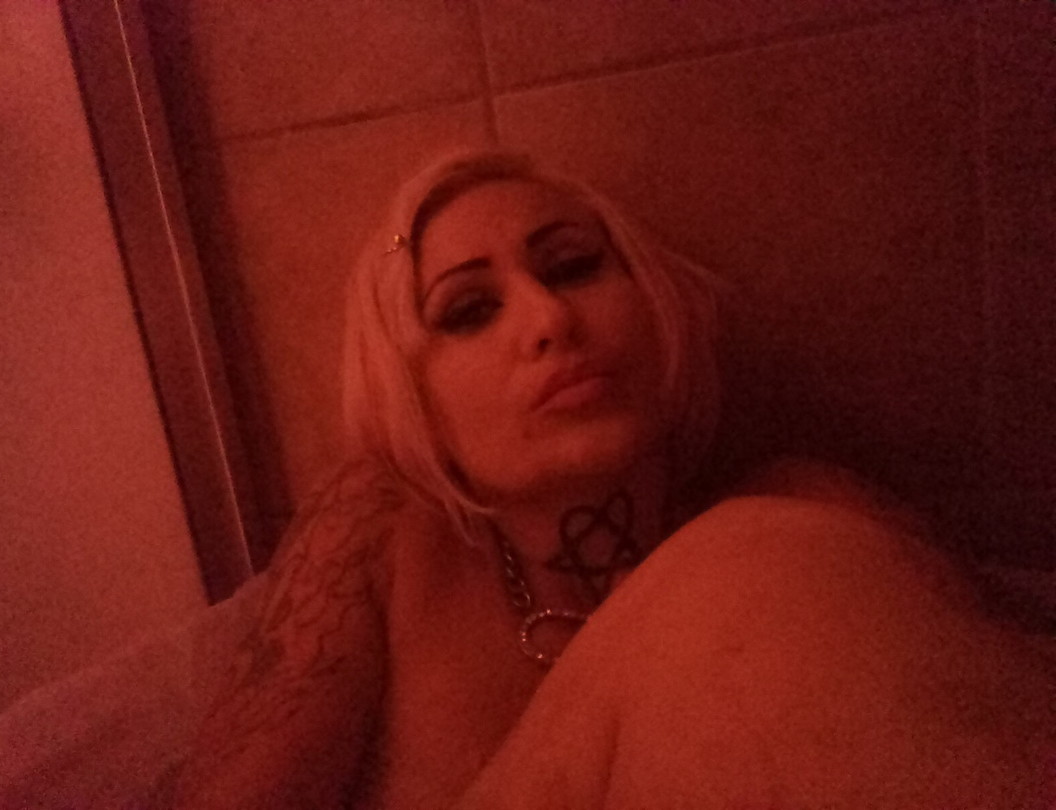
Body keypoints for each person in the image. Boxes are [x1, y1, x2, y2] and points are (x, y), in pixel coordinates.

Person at [174, 150, 1055, 809]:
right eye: (469, 311)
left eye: (573, 267)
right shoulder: (385, 536)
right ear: (413, 401)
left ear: (657, 306)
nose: (549, 319)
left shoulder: (802, 510)